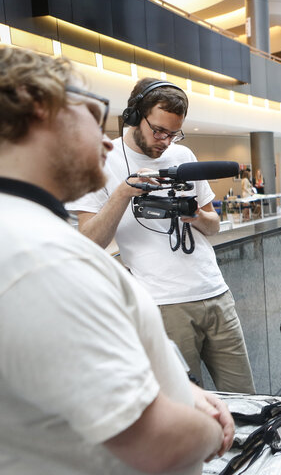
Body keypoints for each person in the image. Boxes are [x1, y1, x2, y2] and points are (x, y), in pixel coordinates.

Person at [0, 46, 233, 473]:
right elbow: (153, 442)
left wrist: (184, 393)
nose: (107, 139)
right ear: (40, 112)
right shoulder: (41, 262)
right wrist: (212, 430)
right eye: (92, 113)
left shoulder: (31, 232)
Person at [69, 78, 255, 393]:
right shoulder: (102, 159)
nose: (165, 141)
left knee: (246, 397)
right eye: (158, 131)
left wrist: (196, 216)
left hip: (216, 292)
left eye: (173, 133)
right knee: (186, 404)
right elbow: (88, 241)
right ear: (132, 116)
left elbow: (214, 225)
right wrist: (124, 192)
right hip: (163, 304)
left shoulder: (184, 155)